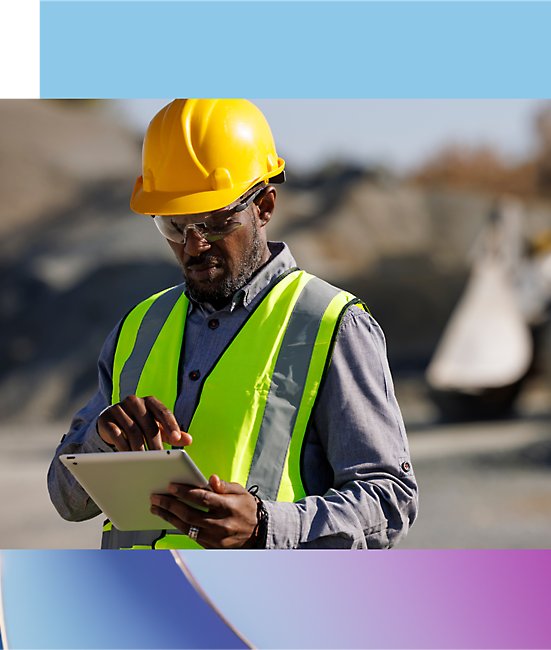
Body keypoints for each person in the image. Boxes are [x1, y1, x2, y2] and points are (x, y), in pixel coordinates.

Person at [48, 99, 418, 549]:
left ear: (264, 206)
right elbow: (66, 500)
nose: (193, 245)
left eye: (215, 222)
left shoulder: (332, 327)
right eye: (173, 225)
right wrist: (103, 441)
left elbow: (390, 500)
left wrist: (266, 527)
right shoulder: (138, 328)